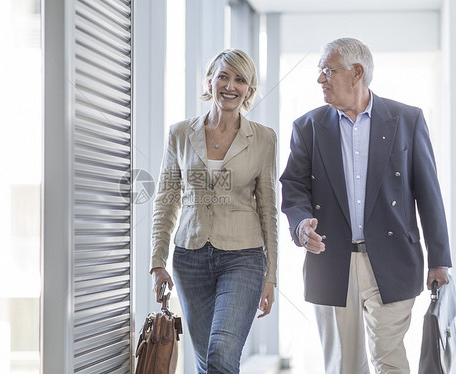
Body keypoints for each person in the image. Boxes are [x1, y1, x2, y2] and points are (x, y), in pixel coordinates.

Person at [280, 37, 452, 374]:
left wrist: (439, 261)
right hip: (331, 260)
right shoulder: (308, 127)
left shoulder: (407, 120)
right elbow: (294, 186)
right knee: (345, 364)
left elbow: (428, 193)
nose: (320, 79)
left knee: (389, 358)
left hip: (394, 258)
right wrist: (301, 225)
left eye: (327, 71)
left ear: (357, 72)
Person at [149, 48, 278, 374]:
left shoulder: (263, 138)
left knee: (221, 354)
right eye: (223, 76)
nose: (230, 85)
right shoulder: (180, 133)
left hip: (244, 258)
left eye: (240, 79)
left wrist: (271, 275)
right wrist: (157, 262)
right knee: (207, 361)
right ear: (210, 80)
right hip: (190, 259)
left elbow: (267, 208)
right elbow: (166, 199)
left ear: (249, 88)